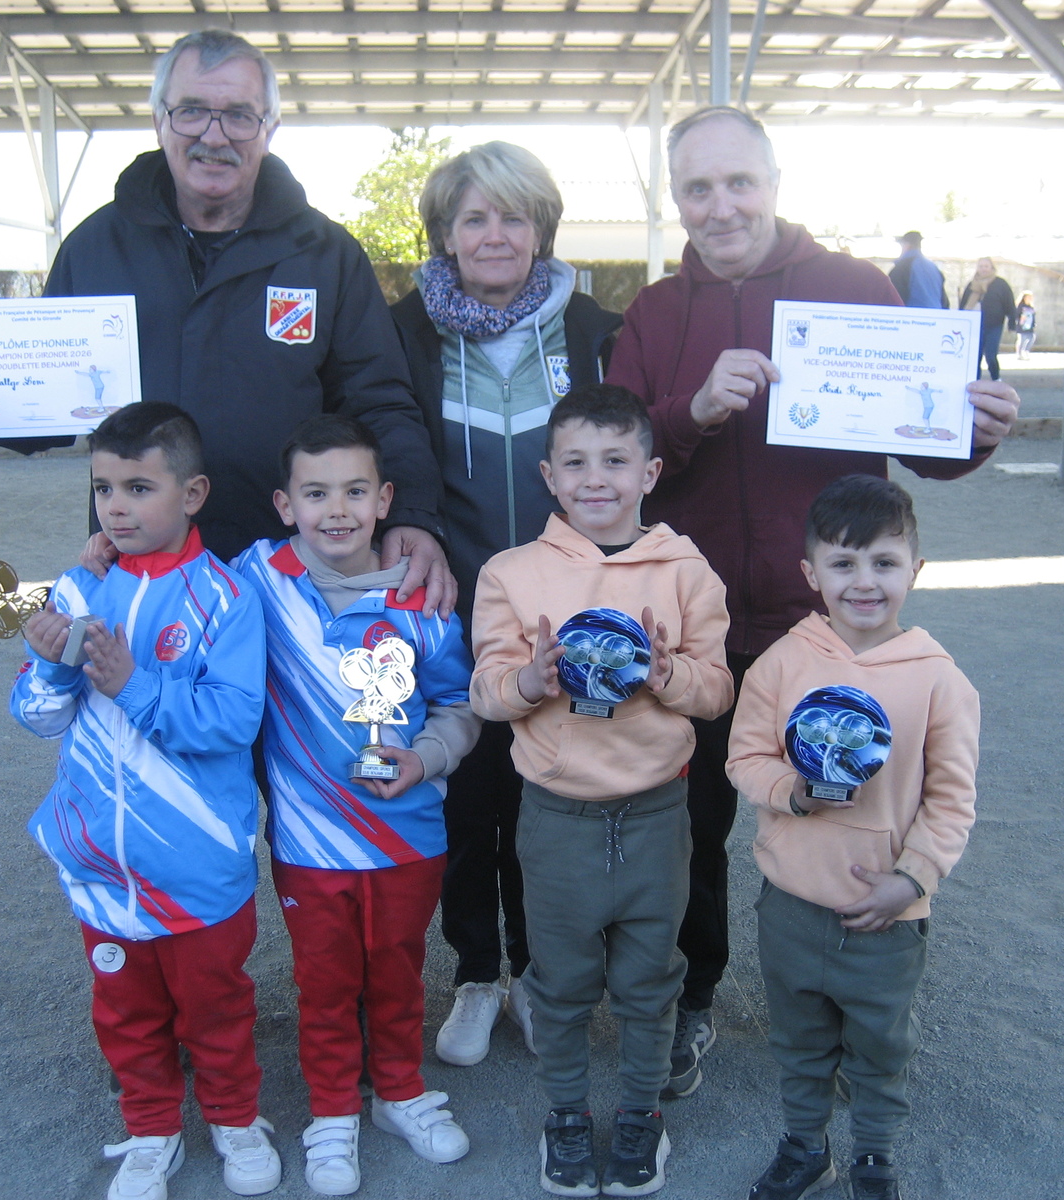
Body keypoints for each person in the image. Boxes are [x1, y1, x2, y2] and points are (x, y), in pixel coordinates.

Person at [604, 105, 1017, 1102]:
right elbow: (617, 460)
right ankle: (690, 998)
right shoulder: (654, 314)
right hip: (697, 627)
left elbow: (922, 441)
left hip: (827, 630)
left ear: (776, 183)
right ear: (676, 199)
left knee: (848, 813)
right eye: (697, 188)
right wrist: (691, 413)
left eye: (739, 182)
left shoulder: (853, 288)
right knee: (687, 829)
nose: (721, 206)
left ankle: (846, 1010)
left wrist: (974, 431)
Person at [0, 28, 450, 606]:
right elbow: (52, 398)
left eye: (240, 115)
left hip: (294, 576)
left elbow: (381, 401)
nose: (213, 136)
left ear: (269, 128)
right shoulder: (95, 248)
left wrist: (413, 514)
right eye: (191, 111)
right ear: (159, 121)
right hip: (144, 574)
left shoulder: (327, 255)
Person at [390, 141, 624, 1068]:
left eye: (514, 216)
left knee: (543, 800)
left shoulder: (595, 332)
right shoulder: (400, 334)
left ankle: (534, 970)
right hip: (449, 612)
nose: (495, 235)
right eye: (474, 218)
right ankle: (476, 974)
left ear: (542, 230)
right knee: (465, 801)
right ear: (444, 234)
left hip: (563, 613)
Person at [11, 402, 281, 1200]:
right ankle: (151, 1130)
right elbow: (36, 717)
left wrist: (133, 684)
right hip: (101, 869)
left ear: (193, 494)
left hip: (198, 870)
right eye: (103, 489)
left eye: (138, 488)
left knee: (216, 1009)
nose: (116, 508)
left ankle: (236, 1119)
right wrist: (51, 664)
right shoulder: (77, 589)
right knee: (125, 1015)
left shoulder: (227, 598)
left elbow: (233, 721)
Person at [470, 384, 734, 1198]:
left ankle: (642, 1116)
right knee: (560, 981)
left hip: (657, 814)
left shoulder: (687, 571)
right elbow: (485, 692)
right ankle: (566, 1115)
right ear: (548, 476)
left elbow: (717, 691)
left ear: (649, 472)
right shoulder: (511, 574)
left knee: (650, 980)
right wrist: (531, 680)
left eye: (616, 461)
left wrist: (667, 673)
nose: (596, 479)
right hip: (556, 817)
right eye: (576, 462)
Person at [231, 415, 478, 1196]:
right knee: (326, 984)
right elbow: (170, 583)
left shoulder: (421, 598)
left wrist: (425, 758)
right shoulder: (254, 578)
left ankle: (399, 1092)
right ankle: (333, 1111)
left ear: (384, 500)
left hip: (408, 837)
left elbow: (459, 705)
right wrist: (106, 552)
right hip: (311, 844)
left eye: (353, 491)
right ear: (284, 504)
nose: (335, 510)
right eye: (315, 493)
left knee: (399, 971)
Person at [727, 475, 978, 1200]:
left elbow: (951, 799)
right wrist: (791, 791)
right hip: (793, 904)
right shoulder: (782, 662)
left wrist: (914, 877)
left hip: (887, 914)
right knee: (798, 1040)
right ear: (811, 574)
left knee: (880, 1043)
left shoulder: (940, 680)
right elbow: (745, 756)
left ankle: (873, 1155)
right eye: (843, 563)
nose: (864, 582)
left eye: (884, 563)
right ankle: (806, 1147)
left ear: (915, 570)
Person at [957, 257, 1016, 382]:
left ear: (992, 268)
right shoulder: (972, 285)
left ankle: (996, 379)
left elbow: (1009, 304)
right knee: (975, 356)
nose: (983, 269)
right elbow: (963, 305)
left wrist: (1012, 322)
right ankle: (974, 381)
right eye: (981, 266)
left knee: (990, 355)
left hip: (994, 325)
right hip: (975, 326)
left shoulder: (1000, 284)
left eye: (986, 266)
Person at [886, 232, 946, 310]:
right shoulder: (933, 268)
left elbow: (892, 299)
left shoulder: (902, 267)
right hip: (935, 315)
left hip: (912, 315)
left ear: (907, 245)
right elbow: (944, 302)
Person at [1013, 291, 1037, 360]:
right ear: (1024, 298)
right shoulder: (1020, 306)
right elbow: (1016, 315)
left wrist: (1033, 323)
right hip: (1022, 326)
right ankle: (1019, 354)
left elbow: (1033, 316)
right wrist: (1020, 319)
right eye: (1028, 297)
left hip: (1029, 326)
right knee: (1022, 340)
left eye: (1031, 297)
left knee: (1031, 338)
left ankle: (1026, 350)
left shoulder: (1031, 307)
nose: (1030, 299)